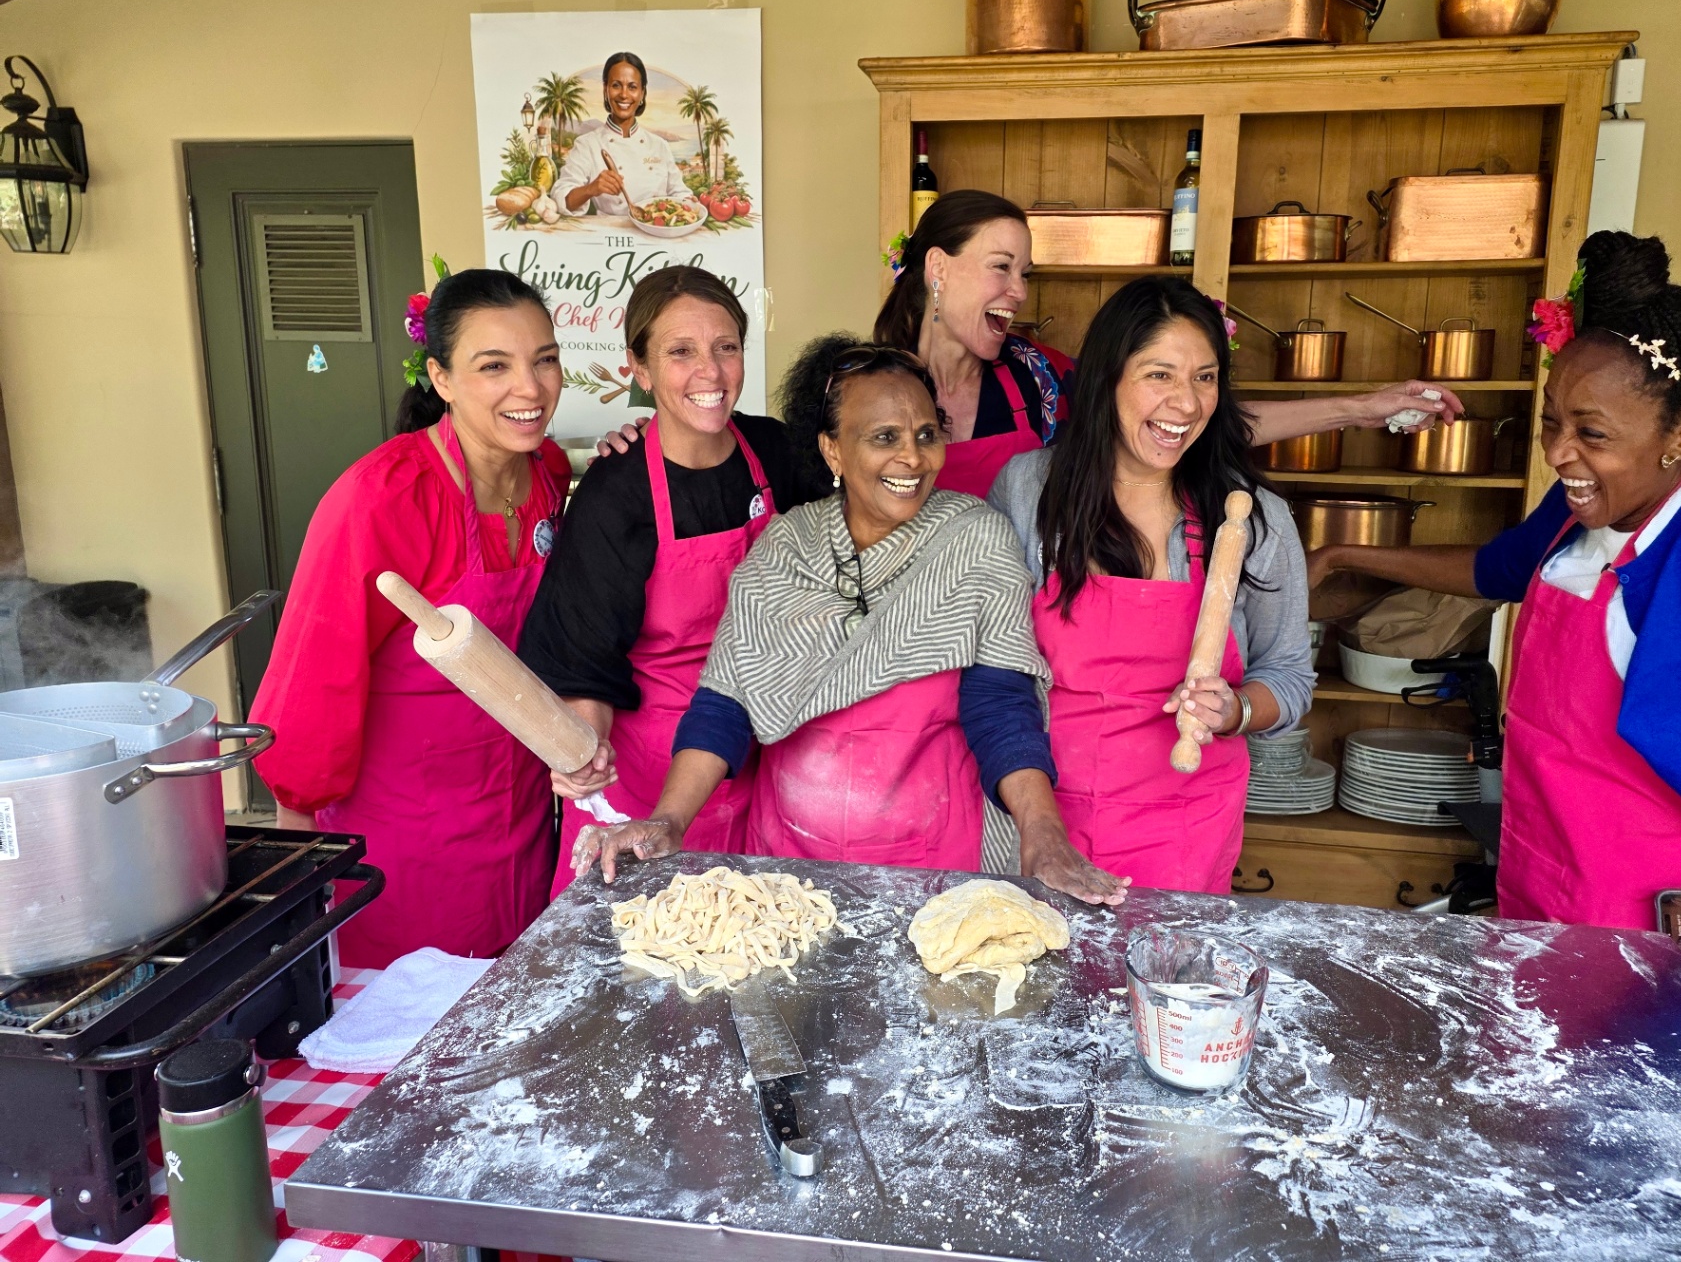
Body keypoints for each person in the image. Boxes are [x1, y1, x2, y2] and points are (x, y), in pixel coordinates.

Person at [1305, 231, 1681, 930]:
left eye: (1593, 433)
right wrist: (1345, 556)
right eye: (1553, 422)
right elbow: (1497, 568)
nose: (1558, 453)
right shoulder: (1578, 514)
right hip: (1539, 879)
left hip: (1661, 918)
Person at [568, 335, 1128, 907]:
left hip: (936, 865)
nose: (912, 457)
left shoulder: (975, 539)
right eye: (884, 437)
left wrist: (1042, 834)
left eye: (927, 434)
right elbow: (727, 703)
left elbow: (1001, 705)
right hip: (788, 868)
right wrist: (669, 820)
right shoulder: (785, 546)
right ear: (832, 451)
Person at [251, 269, 571, 967]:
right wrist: (297, 864)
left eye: (544, 359)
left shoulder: (547, 471)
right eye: (495, 366)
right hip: (405, 832)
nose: (532, 387)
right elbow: (311, 683)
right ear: (442, 378)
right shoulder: (379, 499)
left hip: (519, 815)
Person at [989, 276, 1315, 892]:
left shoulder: (1252, 516)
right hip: (1043, 819)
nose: (1186, 404)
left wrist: (1237, 710)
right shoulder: (1031, 491)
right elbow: (996, 670)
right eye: (1159, 374)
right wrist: (1036, 821)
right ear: (1109, 378)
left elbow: (1290, 674)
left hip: (1189, 828)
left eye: (1205, 377)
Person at [519, 266, 809, 898]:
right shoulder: (615, 491)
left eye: (725, 347)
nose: (709, 372)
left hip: (759, 759)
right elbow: (581, 659)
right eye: (681, 352)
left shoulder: (776, 452)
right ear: (640, 370)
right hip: (645, 779)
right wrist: (583, 749)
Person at [875, 189, 1468, 497]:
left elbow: (1192, 420)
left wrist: (1362, 409)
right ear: (938, 268)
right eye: (1001, 268)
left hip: (1010, 634)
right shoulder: (866, 388)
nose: (1019, 292)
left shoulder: (1039, 378)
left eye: (1026, 274)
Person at [552, 51, 693, 218]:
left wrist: (691, 201)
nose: (624, 94)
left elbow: (679, 192)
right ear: (605, 90)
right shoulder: (587, 144)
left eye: (632, 87)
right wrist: (591, 189)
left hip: (657, 231)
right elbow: (562, 199)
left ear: (642, 93)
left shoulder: (659, 145)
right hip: (609, 233)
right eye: (616, 85)